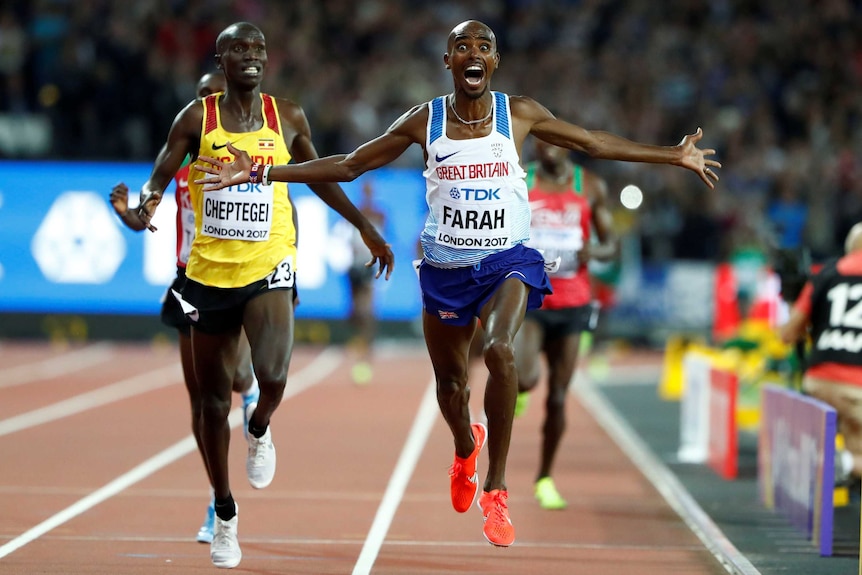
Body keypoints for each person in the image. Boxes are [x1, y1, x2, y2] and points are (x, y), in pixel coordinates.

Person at [195, 19, 720, 548]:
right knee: (452, 387)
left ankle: (497, 488)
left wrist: (671, 155)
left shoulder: (519, 114)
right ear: (448, 61)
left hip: (506, 261)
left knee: (499, 351)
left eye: (484, 47)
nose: (473, 53)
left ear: (494, 61)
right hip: (446, 271)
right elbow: (352, 165)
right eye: (462, 46)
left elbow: (593, 143)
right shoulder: (426, 120)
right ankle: (466, 446)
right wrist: (263, 173)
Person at [124, 22, 393, 569]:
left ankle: (261, 426)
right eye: (239, 49)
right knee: (210, 401)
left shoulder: (287, 115)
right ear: (221, 59)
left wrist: (363, 225)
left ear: (266, 59)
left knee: (272, 377)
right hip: (207, 275)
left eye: (258, 48)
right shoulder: (196, 119)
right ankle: (224, 512)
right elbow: (158, 177)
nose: (250, 56)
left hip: (269, 263)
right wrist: (142, 207)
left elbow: (319, 175)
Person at [110, 71, 263, 546]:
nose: (206, 104)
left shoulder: (249, 158)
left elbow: (284, 210)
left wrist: (288, 272)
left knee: (234, 378)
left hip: (239, 276)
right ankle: (217, 499)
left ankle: (252, 386)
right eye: (199, 97)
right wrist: (129, 216)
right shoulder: (180, 163)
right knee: (202, 404)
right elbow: (145, 214)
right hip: (190, 280)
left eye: (212, 95)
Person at [512, 139, 618, 510]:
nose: (546, 149)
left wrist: (593, 252)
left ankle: (544, 478)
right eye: (539, 143)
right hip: (530, 296)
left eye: (554, 143)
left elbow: (611, 245)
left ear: (568, 148)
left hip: (573, 302)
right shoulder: (519, 179)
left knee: (558, 397)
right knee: (525, 377)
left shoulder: (589, 186)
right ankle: (521, 389)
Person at [781, 222, 862, 485]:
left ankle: (842, 461)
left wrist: (793, 298)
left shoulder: (825, 275)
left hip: (819, 381)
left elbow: (788, 334)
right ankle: (848, 464)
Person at [347, 180, 386, 385]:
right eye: (365, 189)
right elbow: (348, 235)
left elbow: (386, 235)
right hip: (355, 264)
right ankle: (360, 340)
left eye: (371, 190)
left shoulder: (380, 214)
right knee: (354, 310)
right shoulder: (357, 211)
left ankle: (366, 349)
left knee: (367, 308)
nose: (368, 193)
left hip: (372, 265)